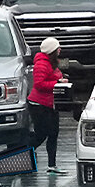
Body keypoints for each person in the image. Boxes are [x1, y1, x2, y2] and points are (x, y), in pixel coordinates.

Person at [27, 37, 66, 174]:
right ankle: (21, 154)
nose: (60, 49)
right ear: (52, 51)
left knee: (54, 133)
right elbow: (39, 84)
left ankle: (52, 165)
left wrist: (60, 80)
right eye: (57, 48)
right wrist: (57, 84)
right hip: (39, 105)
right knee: (41, 134)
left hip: (51, 104)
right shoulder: (41, 64)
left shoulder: (51, 63)